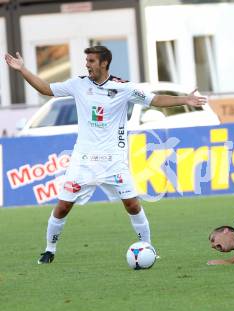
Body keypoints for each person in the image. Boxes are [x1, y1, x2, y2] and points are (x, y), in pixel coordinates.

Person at [5, 46, 207, 264]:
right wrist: (22, 69)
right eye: (87, 60)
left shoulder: (123, 88)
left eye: (91, 61)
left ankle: (148, 247)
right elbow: (46, 89)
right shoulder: (78, 84)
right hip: (83, 161)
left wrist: (185, 100)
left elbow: (155, 100)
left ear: (104, 63)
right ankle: (49, 250)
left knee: (132, 205)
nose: (87, 65)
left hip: (114, 161)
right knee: (63, 206)